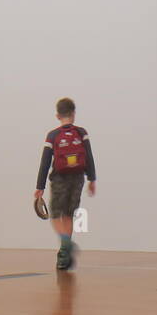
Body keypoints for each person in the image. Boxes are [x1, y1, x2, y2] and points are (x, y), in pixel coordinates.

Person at [34, 97, 97, 271]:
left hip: (59, 179)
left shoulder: (53, 135)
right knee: (69, 215)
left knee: (55, 216)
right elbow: (89, 157)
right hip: (77, 178)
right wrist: (92, 179)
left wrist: (40, 187)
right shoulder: (82, 132)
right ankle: (64, 257)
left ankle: (67, 244)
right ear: (73, 114)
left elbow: (45, 162)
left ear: (57, 115)